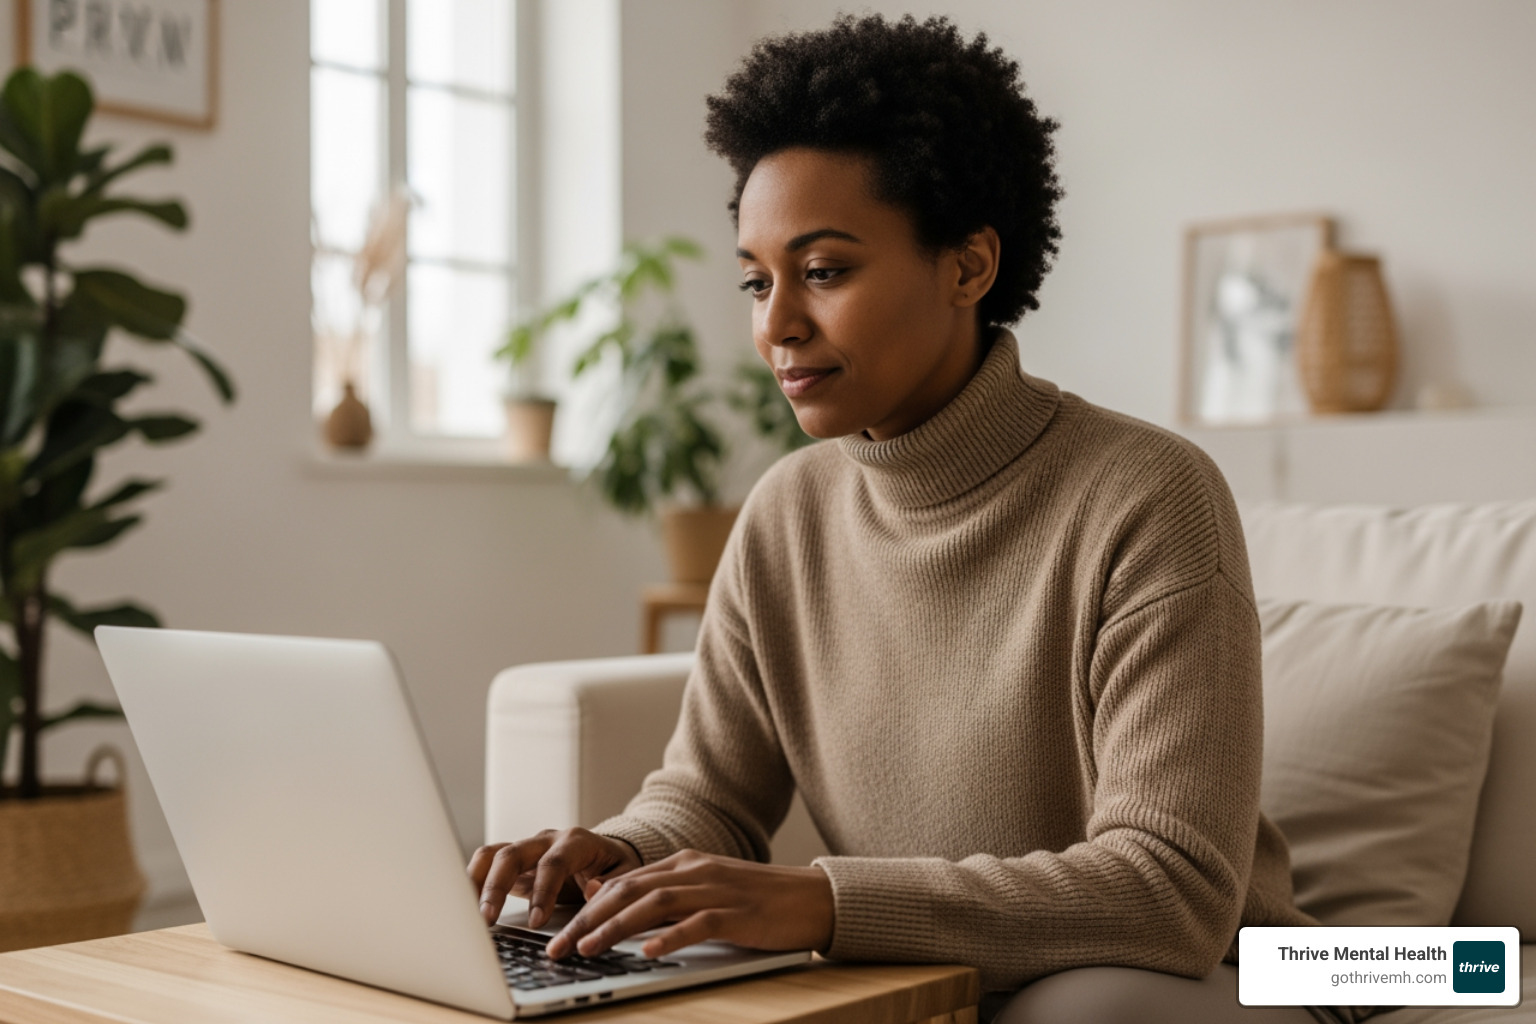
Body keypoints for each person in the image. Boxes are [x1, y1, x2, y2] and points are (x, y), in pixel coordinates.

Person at [470, 15, 1322, 1023]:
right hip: (965, 964)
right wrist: (622, 851)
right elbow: (708, 796)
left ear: (968, 266)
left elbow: (1170, 890)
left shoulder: (1149, 493)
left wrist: (828, 901)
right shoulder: (789, 511)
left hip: (1260, 964)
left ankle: (1449, 964)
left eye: (823, 271)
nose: (777, 322)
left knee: (1080, 1012)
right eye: (757, 279)